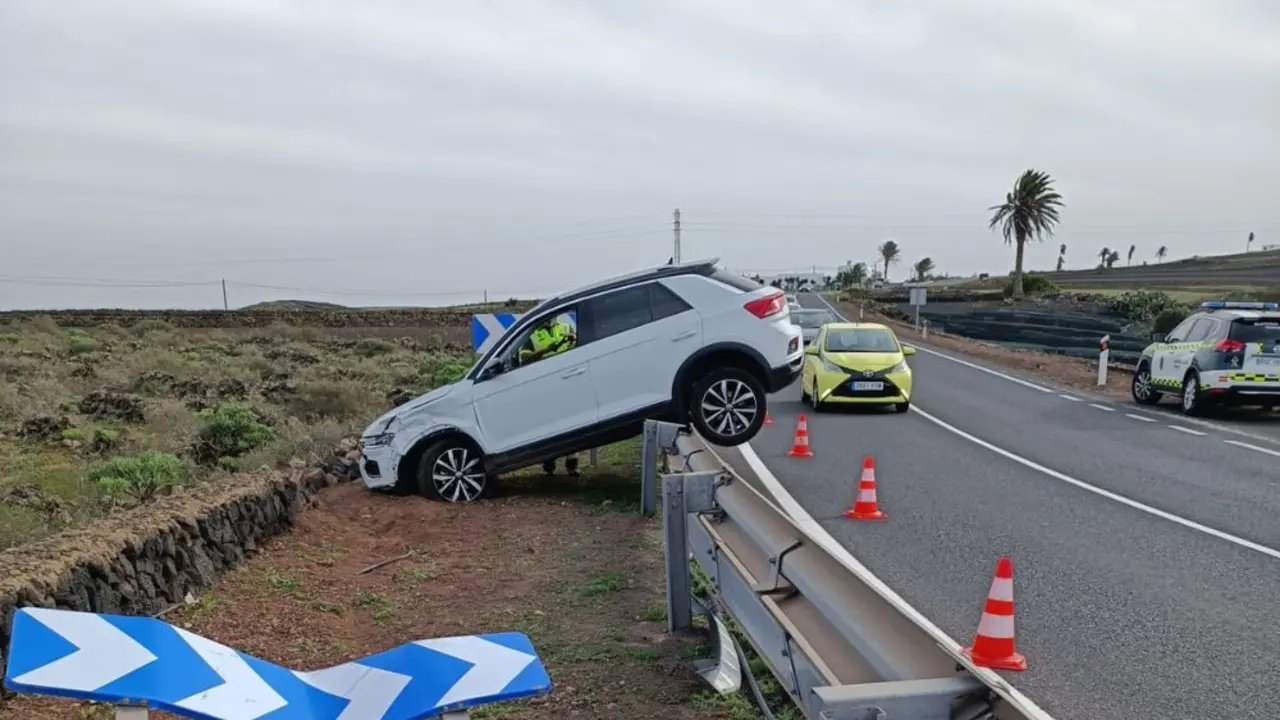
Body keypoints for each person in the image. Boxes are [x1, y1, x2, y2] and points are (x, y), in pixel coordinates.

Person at [515, 315, 583, 477]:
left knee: (573, 421)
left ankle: (572, 463)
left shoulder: (566, 327)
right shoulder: (532, 334)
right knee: (548, 424)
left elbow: (581, 346)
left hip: (568, 379)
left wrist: (573, 340)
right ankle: (548, 462)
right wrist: (546, 350)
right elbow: (523, 356)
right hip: (544, 383)